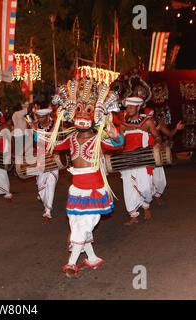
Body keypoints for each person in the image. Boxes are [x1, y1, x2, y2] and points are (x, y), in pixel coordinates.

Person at [51, 79, 124, 279]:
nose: (83, 114)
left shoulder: (98, 138)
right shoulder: (70, 138)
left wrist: (114, 132)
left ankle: (71, 263)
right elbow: (51, 142)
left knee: (82, 226)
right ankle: (91, 258)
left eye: (89, 110)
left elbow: (118, 143)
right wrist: (36, 132)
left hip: (94, 189)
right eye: (80, 110)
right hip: (76, 189)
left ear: (97, 114)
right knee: (77, 225)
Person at [120, 97, 162, 225]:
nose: (129, 109)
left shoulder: (147, 122)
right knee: (128, 187)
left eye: (132, 107)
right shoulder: (123, 124)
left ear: (138, 108)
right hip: (127, 160)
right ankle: (133, 215)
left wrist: (157, 144)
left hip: (143, 159)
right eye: (127, 107)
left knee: (145, 187)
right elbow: (120, 142)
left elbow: (157, 136)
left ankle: (146, 205)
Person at [29, 107, 59, 224]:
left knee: (51, 181)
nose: (40, 119)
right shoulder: (35, 125)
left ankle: (48, 210)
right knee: (41, 184)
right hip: (41, 157)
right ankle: (45, 202)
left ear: (47, 116)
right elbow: (35, 143)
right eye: (39, 117)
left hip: (53, 158)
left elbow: (58, 139)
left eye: (42, 117)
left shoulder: (56, 124)